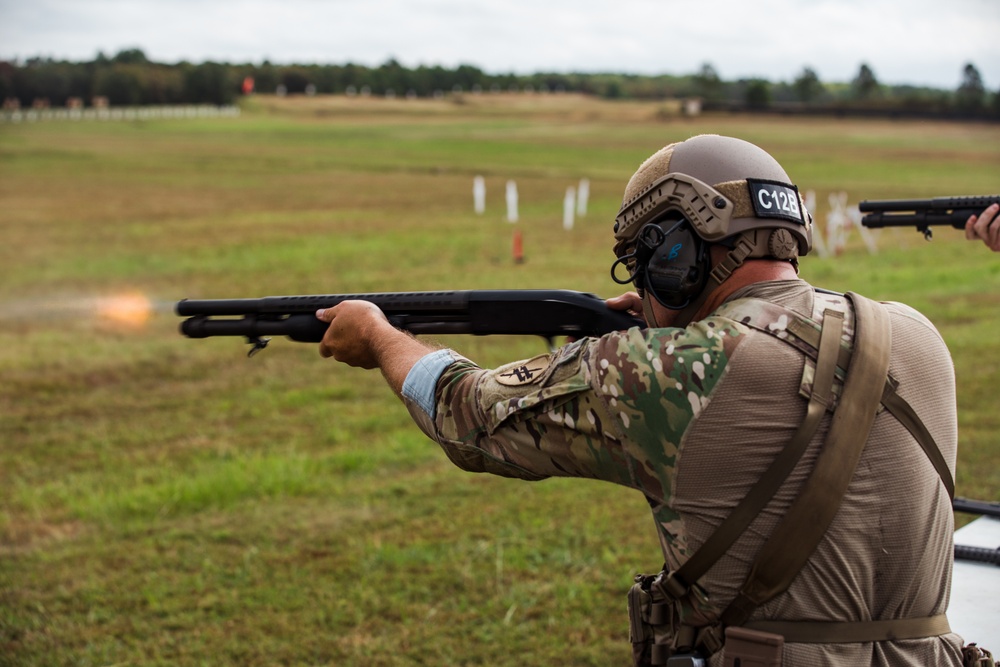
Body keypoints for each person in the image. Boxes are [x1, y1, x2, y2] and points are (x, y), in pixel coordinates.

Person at [315, 135, 970, 665]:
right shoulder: (913, 334)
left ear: (673, 254)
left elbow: (470, 414)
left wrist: (378, 336)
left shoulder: (661, 371)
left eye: (641, 260)